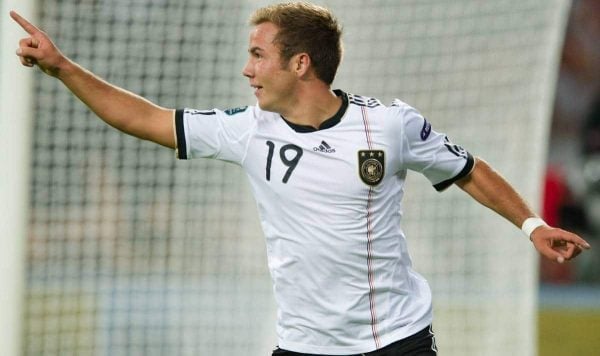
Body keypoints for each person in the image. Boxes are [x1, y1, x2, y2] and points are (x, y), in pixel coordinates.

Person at [10, 2, 592, 355]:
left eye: (259, 54)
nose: (247, 68)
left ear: (300, 63)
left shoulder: (387, 125)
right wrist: (62, 68)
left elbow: (467, 169)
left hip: (397, 342)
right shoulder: (247, 129)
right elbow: (143, 116)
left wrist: (532, 224)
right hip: (305, 347)